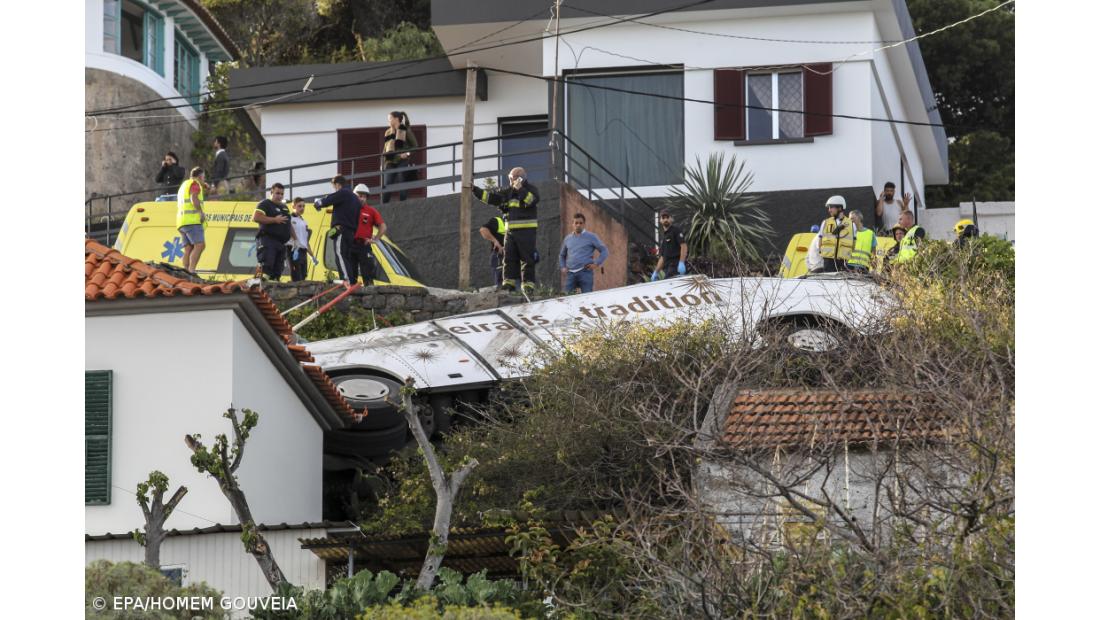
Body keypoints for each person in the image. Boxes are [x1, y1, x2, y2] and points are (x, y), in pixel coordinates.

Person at [469, 167, 540, 294]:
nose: (510, 181)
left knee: (527, 259)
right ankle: (508, 284)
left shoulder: (531, 189)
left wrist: (520, 189)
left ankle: (528, 285)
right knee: (508, 258)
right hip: (511, 233)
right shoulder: (507, 192)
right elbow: (491, 198)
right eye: (510, 178)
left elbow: (531, 201)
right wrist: (475, 190)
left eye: (512, 178)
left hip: (526, 232)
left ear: (520, 178)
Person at [314, 175, 363, 283]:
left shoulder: (343, 192)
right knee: (347, 257)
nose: (335, 189)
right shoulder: (355, 198)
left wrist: (318, 203)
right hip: (351, 231)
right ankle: (351, 279)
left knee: (340, 254)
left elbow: (328, 199)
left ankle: (346, 279)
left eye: (334, 187)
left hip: (341, 229)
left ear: (337, 184)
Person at [348, 183, 387, 284]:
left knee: (368, 275)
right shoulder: (348, 209)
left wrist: (375, 240)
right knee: (351, 276)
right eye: (360, 196)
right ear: (354, 196)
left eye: (364, 196)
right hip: (350, 245)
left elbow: (383, 227)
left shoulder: (371, 211)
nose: (362, 199)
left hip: (364, 245)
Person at [559, 213, 608, 294]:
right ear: (572, 224)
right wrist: (563, 267)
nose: (578, 225)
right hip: (570, 274)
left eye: (581, 223)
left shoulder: (592, 237)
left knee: (587, 297)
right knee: (566, 298)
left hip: (585, 273)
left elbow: (604, 251)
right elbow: (562, 255)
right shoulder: (567, 238)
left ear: (584, 224)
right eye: (576, 223)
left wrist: (596, 263)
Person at [252, 183, 293, 280]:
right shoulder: (265, 203)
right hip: (268, 240)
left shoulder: (284, 207)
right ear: (271, 192)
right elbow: (256, 217)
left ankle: (273, 290)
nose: (280, 196)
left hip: (281, 243)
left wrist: (295, 239)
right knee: (267, 268)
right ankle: (262, 288)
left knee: (277, 271)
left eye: (282, 194)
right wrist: (274, 220)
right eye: (277, 193)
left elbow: (289, 224)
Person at [176, 167, 207, 274]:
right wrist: (200, 212)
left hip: (181, 222)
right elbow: (194, 198)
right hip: (192, 221)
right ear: (199, 177)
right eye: (203, 177)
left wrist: (203, 185)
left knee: (188, 248)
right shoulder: (195, 184)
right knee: (200, 245)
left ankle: (185, 271)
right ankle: (192, 271)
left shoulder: (184, 185)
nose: (204, 180)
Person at [382, 111, 418, 203]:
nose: (388, 120)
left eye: (390, 118)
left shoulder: (406, 130)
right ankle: (383, 206)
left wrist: (407, 154)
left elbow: (415, 146)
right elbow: (385, 148)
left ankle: (403, 203)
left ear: (396, 119)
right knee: (387, 183)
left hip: (402, 160)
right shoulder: (387, 132)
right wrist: (382, 162)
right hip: (390, 161)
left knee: (402, 179)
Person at [817, 195, 854, 272]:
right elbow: (820, 242)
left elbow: (854, 244)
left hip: (843, 262)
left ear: (840, 208)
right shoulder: (825, 222)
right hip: (828, 262)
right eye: (829, 208)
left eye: (831, 207)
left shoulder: (851, 224)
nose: (829, 210)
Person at [286, 197, 318, 282]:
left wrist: (312, 256)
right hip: (293, 250)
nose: (302, 208)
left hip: (303, 252)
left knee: (303, 276)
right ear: (293, 206)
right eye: (299, 206)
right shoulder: (289, 218)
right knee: (297, 276)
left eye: (303, 206)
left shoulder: (304, 222)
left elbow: (306, 241)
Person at [652, 209, 687, 281]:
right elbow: (662, 257)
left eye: (667, 217)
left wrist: (681, 262)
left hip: (675, 266)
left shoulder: (676, 230)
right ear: (660, 220)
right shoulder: (664, 237)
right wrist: (656, 272)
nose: (665, 219)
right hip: (667, 268)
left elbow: (683, 246)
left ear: (671, 219)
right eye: (663, 218)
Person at [478, 214, 507, 287]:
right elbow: (483, 230)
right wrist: (495, 241)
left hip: (514, 258)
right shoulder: (498, 221)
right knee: (501, 285)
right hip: (500, 256)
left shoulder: (517, 222)